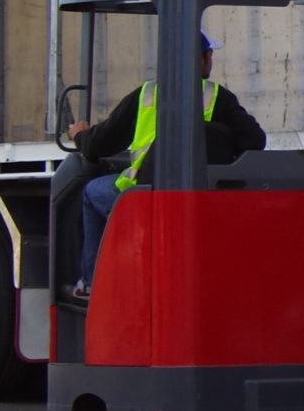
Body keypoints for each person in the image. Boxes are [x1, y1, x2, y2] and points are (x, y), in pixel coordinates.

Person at [67, 31, 266, 296]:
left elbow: (97, 144)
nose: (211, 60)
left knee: (92, 193)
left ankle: (92, 284)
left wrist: (80, 134)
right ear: (204, 59)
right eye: (210, 55)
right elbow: (255, 141)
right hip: (204, 200)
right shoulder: (219, 97)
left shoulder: (146, 95)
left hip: (144, 197)